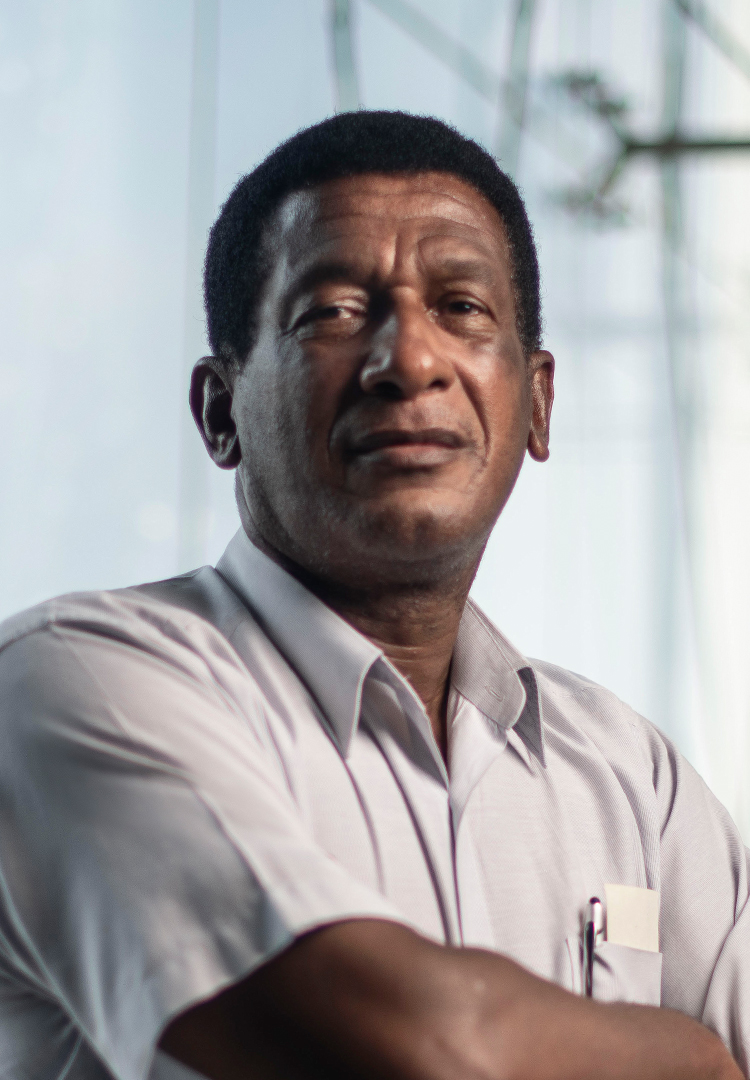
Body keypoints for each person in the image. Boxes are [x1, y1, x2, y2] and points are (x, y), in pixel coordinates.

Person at [0, 111, 747, 1080]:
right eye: (333, 313)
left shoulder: (628, 778)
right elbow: (416, 1049)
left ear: (538, 403)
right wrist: (696, 1058)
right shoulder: (75, 684)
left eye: (462, 307)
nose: (411, 362)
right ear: (220, 413)